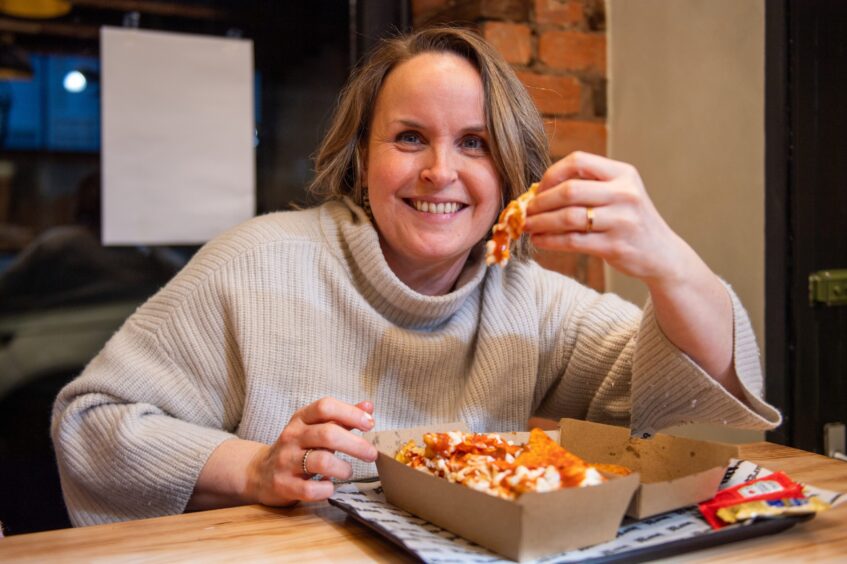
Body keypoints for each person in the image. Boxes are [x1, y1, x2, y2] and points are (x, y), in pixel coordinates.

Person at [52, 26, 781, 527]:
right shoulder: (256, 263)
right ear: (361, 160)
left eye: (474, 142)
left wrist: (669, 263)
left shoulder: (522, 297)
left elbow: (695, 411)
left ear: (508, 176)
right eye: (408, 138)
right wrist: (254, 469)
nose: (440, 171)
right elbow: (92, 423)